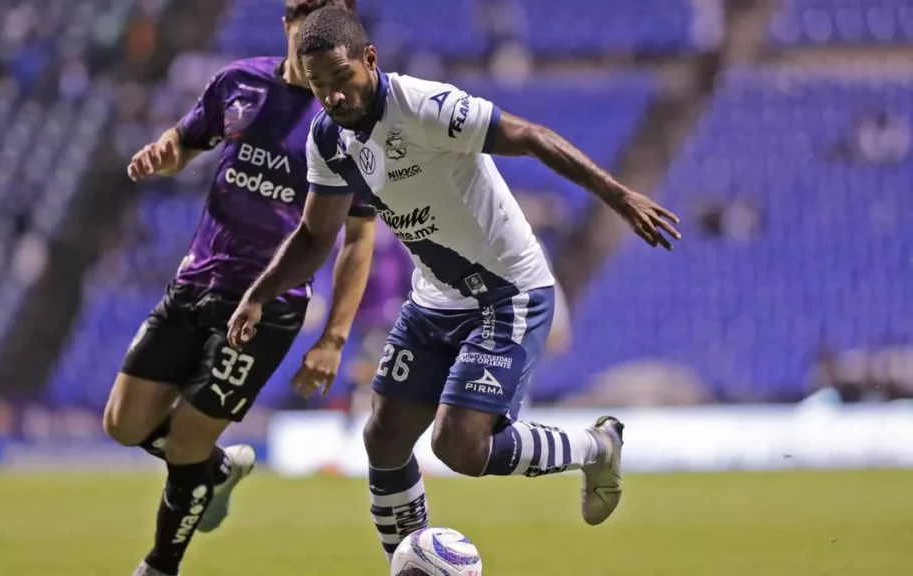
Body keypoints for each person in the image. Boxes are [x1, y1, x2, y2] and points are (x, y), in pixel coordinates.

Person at [226, 6, 681, 564]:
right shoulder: (327, 138)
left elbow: (531, 135)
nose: (333, 97)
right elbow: (315, 237)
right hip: (435, 298)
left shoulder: (425, 106)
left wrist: (619, 197)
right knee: (383, 439)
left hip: (507, 291)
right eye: (319, 86)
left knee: (458, 446)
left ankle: (596, 446)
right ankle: (408, 565)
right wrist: (258, 294)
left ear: (370, 60)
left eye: (342, 79)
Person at [113, 2, 375, 575]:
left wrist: (333, 337)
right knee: (122, 423)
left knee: (183, 442)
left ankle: (160, 565)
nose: (314, 25)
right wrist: (166, 154)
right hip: (194, 282)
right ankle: (212, 472)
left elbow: (358, 239)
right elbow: (185, 140)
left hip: (267, 306)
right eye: (306, 13)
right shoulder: (239, 82)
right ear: (288, 24)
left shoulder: (347, 121)